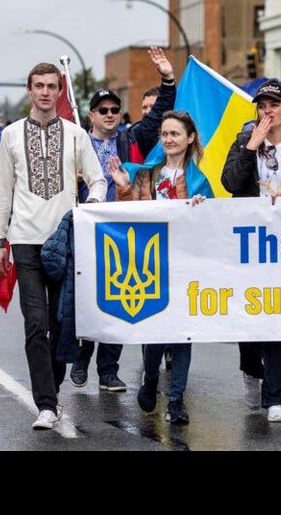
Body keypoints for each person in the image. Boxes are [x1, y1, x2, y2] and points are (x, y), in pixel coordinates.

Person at [0, 63, 107, 430]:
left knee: (60, 325)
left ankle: (51, 391)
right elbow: (2, 191)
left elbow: (98, 179)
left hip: (64, 239)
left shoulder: (76, 135)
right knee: (35, 323)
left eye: (51, 86)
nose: (44, 91)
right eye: (38, 85)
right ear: (29, 89)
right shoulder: (10, 135)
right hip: (24, 239)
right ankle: (45, 403)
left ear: (60, 91)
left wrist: (92, 206)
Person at [70, 47, 177, 393]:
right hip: (86, 228)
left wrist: (167, 79)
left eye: (115, 109)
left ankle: (109, 371)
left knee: (117, 297)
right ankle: (82, 357)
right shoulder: (77, 143)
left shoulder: (132, 137)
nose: (111, 115)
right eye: (103, 110)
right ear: (91, 115)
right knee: (89, 298)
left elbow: (161, 112)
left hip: (123, 227)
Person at [221, 80, 281, 423]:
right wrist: (250, 145)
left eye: (274, 105)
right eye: (262, 106)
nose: (268, 111)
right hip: (250, 244)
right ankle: (251, 371)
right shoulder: (244, 141)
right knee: (250, 323)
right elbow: (231, 184)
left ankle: (276, 397)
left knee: (280, 321)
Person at [110, 111, 208, 424]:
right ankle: (151, 377)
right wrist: (124, 188)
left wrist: (201, 207)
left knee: (182, 335)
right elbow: (129, 218)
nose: (168, 139)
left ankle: (176, 401)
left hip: (184, 266)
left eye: (175, 134)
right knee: (155, 330)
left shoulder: (200, 181)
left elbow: (213, 226)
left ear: (190, 138)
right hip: (151, 267)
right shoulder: (146, 176)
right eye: (164, 134)